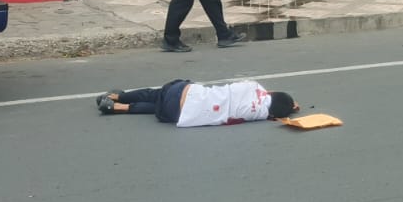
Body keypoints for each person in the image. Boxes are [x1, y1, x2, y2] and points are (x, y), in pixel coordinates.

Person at [97, 78, 297, 125]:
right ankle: (118, 107)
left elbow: (267, 94)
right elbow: (273, 114)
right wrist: (289, 110)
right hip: (182, 113)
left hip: (185, 91)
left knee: (155, 94)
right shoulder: (259, 114)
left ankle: (117, 96)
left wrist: (291, 102)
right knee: (157, 107)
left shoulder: (253, 86)